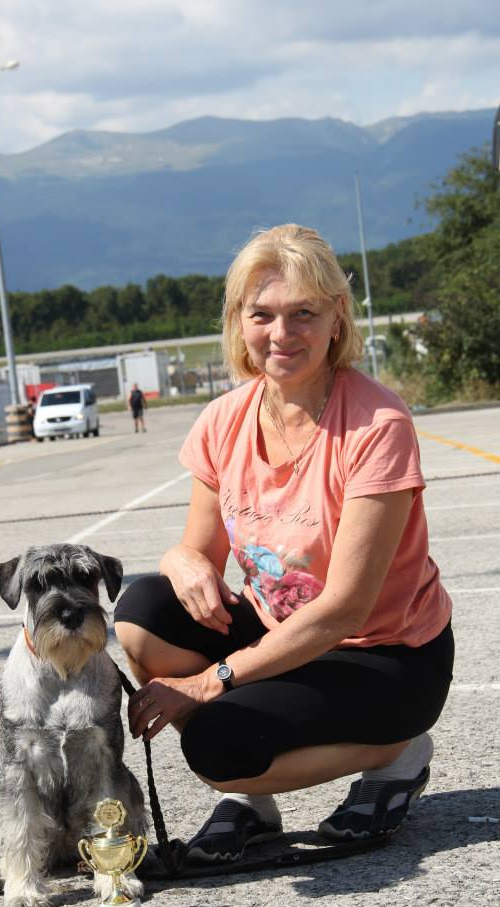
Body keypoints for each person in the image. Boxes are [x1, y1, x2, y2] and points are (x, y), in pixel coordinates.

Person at [114, 223, 453, 863]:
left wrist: (213, 681)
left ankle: (397, 754)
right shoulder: (224, 419)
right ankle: (252, 802)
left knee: (217, 750)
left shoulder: (377, 424)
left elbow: (347, 608)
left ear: (336, 318)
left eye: (303, 313)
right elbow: (198, 558)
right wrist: (178, 560)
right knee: (142, 615)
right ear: (239, 321)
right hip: (279, 633)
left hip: (383, 654)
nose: (281, 334)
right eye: (262, 314)